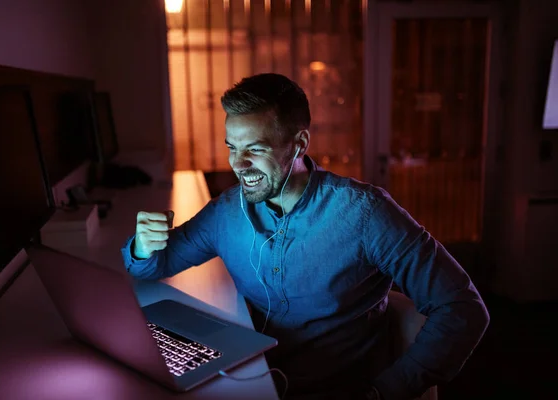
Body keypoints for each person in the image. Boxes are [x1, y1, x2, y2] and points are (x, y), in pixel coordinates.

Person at [121, 73, 489, 400]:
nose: (238, 164)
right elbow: (153, 266)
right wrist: (144, 243)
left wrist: (386, 391)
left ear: (299, 144)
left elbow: (463, 308)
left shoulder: (365, 212)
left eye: (255, 149)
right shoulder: (226, 212)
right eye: (232, 147)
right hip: (254, 379)